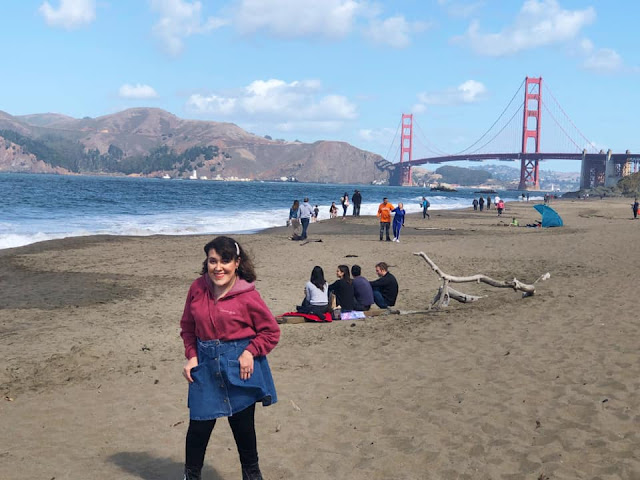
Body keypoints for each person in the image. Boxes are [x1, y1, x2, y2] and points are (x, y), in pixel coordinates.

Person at [180, 236, 280, 480]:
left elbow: (271, 332)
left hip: (238, 367)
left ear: (237, 263)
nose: (218, 267)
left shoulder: (248, 295)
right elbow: (188, 327)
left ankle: (252, 476)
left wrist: (250, 351)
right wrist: (192, 356)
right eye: (213, 261)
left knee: (243, 430)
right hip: (205, 366)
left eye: (225, 261)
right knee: (198, 429)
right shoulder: (197, 289)